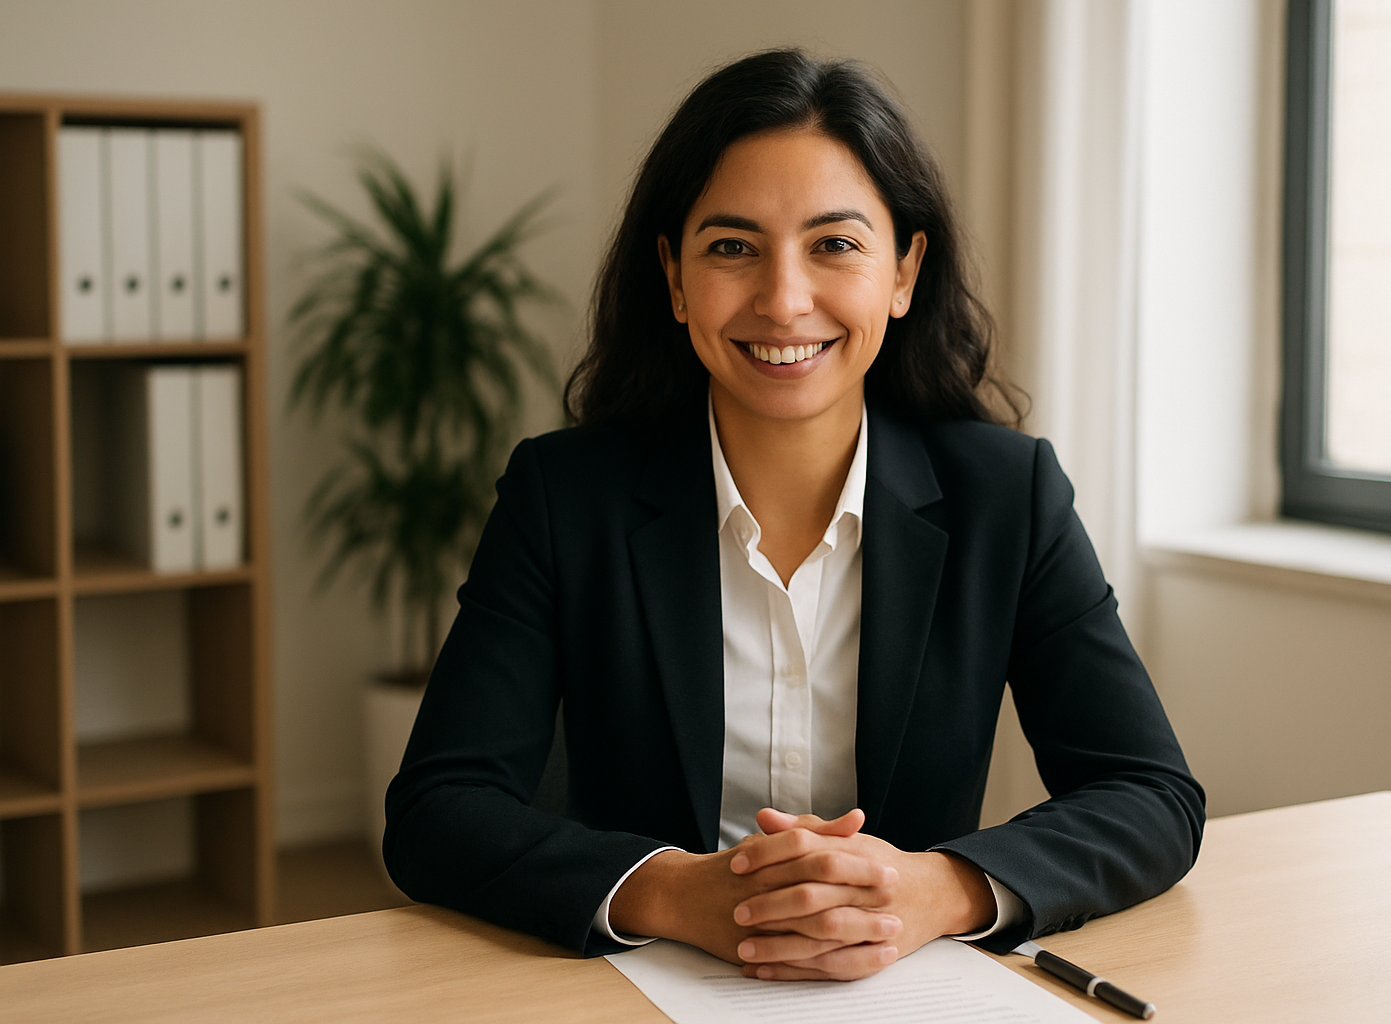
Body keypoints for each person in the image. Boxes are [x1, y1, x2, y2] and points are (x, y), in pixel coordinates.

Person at [384, 48, 1204, 983]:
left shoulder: (1006, 496)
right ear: (676, 276)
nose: (782, 299)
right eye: (731, 246)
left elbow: (1150, 794)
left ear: (904, 272)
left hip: (906, 991)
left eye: (835, 244)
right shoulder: (563, 496)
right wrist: (673, 890)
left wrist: (937, 889)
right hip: (642, 985)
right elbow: (436, 809)